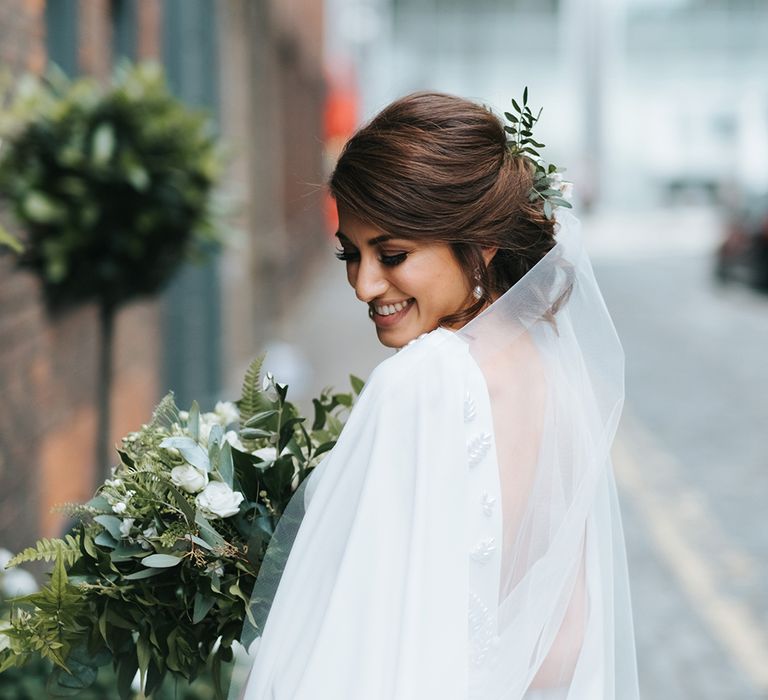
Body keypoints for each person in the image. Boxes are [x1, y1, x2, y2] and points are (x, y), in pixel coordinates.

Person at [230, 92, 639, 699]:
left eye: (392, 255)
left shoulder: (423, 381)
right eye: (351, 255)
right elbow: (565, 646)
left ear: (481, 247)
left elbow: (342, 650)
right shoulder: (554, 370)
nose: (365, 285)